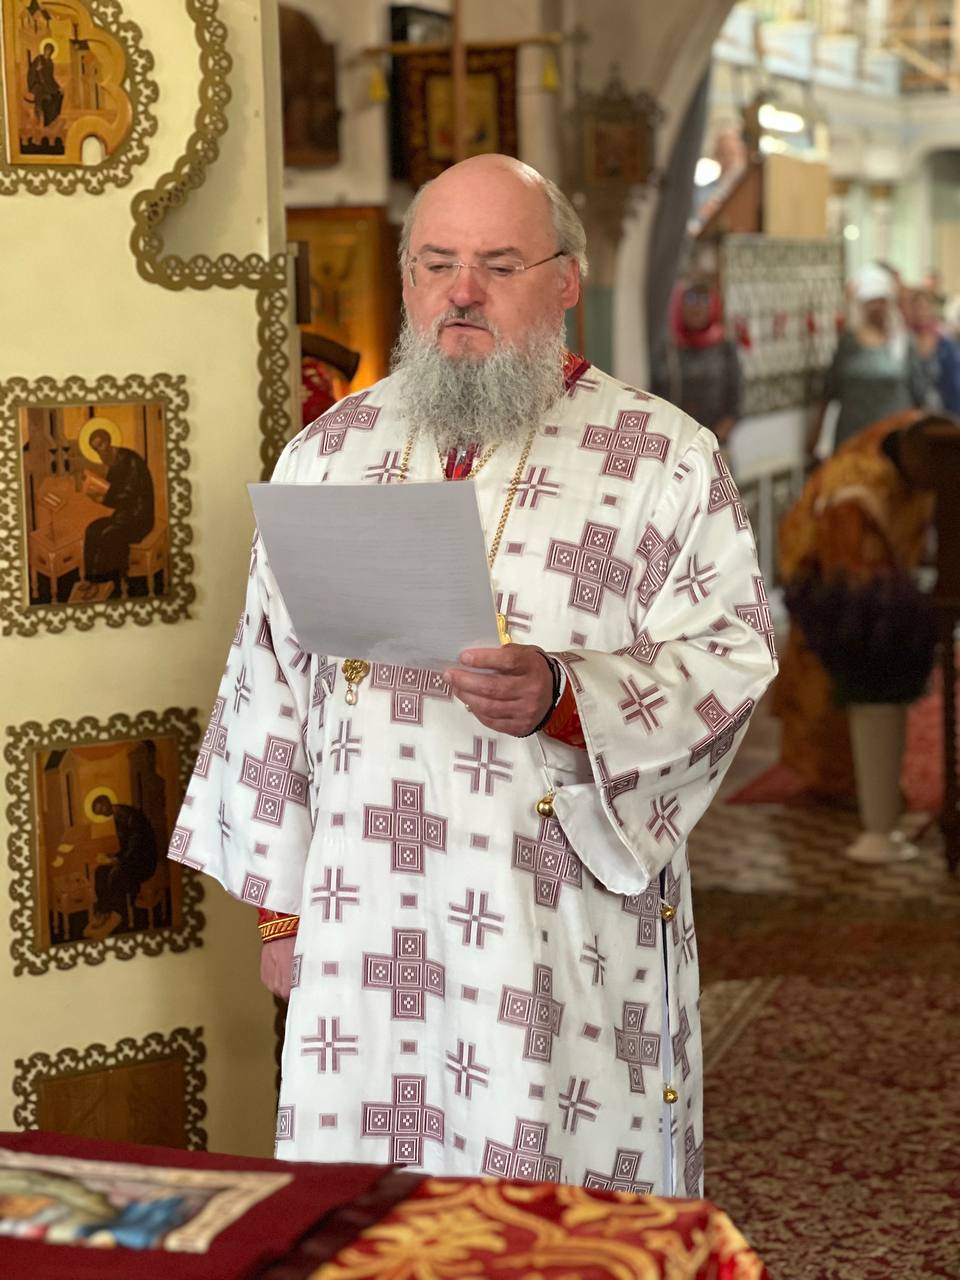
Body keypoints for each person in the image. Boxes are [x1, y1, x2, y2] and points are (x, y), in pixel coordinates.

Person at [168, 154, 777, 1189]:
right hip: (363, 921)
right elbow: (266, 684)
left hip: (550, 927)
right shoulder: (329, 452)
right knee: (366, 1213)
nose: (462, 291)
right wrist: (284, 914)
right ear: (407, 278)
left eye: (498, 264)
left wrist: (566, 696)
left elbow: (730, 656)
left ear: (566, 280)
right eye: (436, 262)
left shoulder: (662, 457)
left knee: (546, 1206)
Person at [774, 410, 939, 808]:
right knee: (832, 680)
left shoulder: (925, 443)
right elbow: (850, 573)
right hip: (829, 584)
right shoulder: (856, 489)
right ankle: (841, 782)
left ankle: (860, 781)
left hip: (869, 585)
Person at [808, 264, 928, 458]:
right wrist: (816, 433)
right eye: (871, 301)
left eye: (881, 301)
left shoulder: (903, 343)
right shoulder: (849, 343)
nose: (876, 307)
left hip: (893, 439)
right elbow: (830, 389)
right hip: (852, 437)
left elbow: (919, 394)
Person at [650, 279, 743, 447]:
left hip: (713, 445)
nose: (697, 307)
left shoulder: (725, 348)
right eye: (690, 299)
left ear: (713, 306)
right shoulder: (668, 349)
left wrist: (710, 442)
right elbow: (655, 396)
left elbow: (735, 404)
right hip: (674, 445)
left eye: (704, 300)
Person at [80, 428, 155, 598]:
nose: (99, 451)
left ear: (108, 441)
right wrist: (96, 494)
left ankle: (101, 583)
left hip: (139, 518)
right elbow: (113, 495)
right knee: (92, 529)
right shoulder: (113, 463)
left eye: (100, 445)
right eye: (95, 448)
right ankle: (90, 579)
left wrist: (104, 497)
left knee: (107, 533)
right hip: (124, 516)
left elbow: (129, 495)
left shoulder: (131, 460)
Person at [83, 797, 158, 940]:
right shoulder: (118, 817)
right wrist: (113, 857)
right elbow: (126, 846)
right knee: (100, 871)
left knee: (117, 874)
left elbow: (137, 844)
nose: (102, 814)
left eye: (101, 810)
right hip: (131, 859)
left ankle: (117, 915)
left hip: (144, 862)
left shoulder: (129, 815)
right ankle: (104, 911)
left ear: (106, 803)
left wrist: (119, 860)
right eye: (99, 813)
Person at [904, 284, 960, 414]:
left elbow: (953, 384)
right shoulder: (905, 341)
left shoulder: (945, 343)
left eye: (925, 307)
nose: (921, 313)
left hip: (944, 412)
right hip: (913, 412)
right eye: (917, 308)